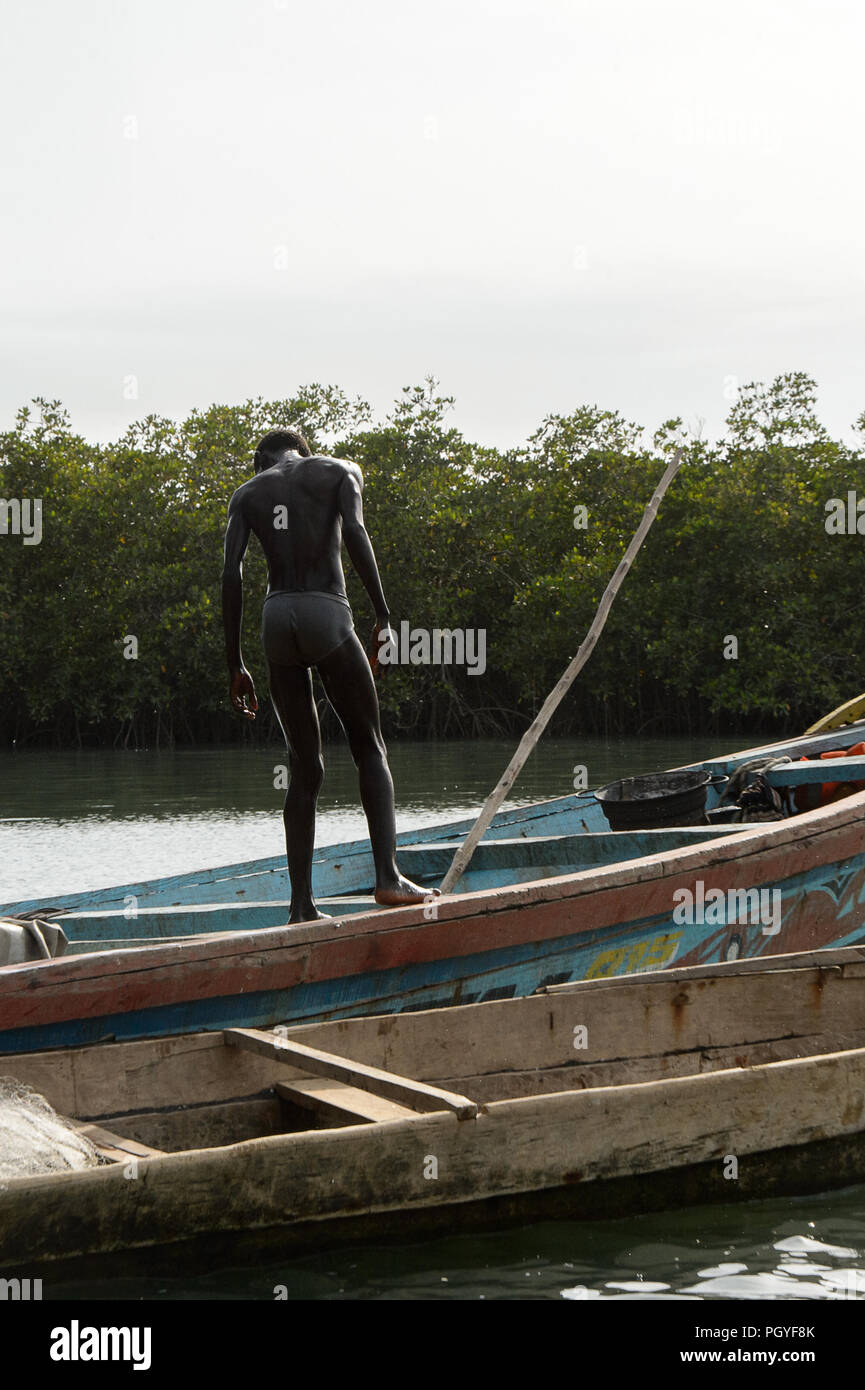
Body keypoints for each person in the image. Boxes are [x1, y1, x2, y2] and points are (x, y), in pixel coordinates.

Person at [221, 427, 436, 922]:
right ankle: (387, 877)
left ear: (261, 460)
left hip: (277, 620)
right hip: (327, 613)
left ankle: (301, 907)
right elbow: (356, 534)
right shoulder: (340, 471)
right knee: (369, 745)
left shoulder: (248, 493)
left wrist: (236, 663)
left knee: (304, 766)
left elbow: (230, 574)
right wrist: (383, 616)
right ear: (305, 449)